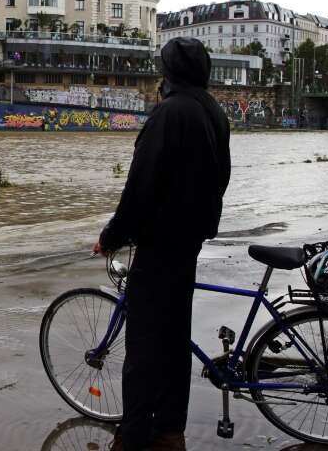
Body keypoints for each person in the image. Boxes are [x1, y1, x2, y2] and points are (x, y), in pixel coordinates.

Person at [95, 37, 231, 451]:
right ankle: (171, 432)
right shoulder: (213, 111)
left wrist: (111, 236)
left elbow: (141, 187)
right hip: (188, 241)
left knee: (142, 350)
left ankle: (132, 438)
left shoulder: (168, 113)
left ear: (167, 72)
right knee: (174, 343)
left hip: (158, 244)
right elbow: (220, 176)